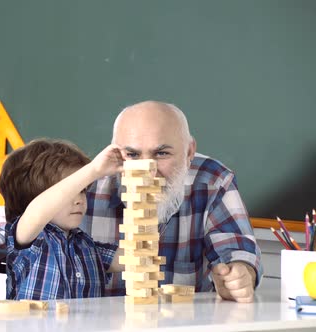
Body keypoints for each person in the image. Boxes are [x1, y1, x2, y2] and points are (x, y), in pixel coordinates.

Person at [82, 100, 263, 303]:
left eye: (161, 154)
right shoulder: (84, 185)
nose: (147, 169)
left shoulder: (212, 180)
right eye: (132, 155)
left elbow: (236, 253)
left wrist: (238, 275)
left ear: (189, 152)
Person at [0, 138, 124, 300]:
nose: (79, 199)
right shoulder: (29, 237)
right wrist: (93, 170)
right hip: (33, 325)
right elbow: (38, 211)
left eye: (82, 190)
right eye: (71, 190)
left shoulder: (87, 246)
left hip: (88, 326)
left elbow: (133, 258)